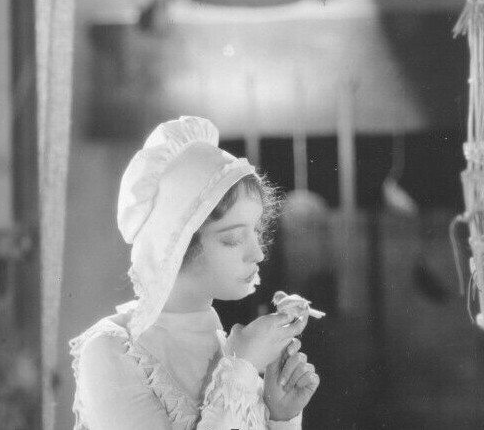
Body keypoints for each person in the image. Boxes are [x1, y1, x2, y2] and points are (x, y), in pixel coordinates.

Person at [70, 116, 321, 430]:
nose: (257, 253)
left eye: (256, 231)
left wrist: (278, 416)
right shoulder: (109, 351)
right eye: (233, 239)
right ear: (179, 244)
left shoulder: (223, 345)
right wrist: (242, 367)